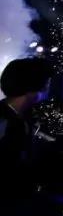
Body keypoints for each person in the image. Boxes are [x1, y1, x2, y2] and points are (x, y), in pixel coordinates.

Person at [0, 57, 52, 201]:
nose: (47, 91)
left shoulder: (22, 119)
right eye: (45, 85)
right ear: (31, 89)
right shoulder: (6, 122)